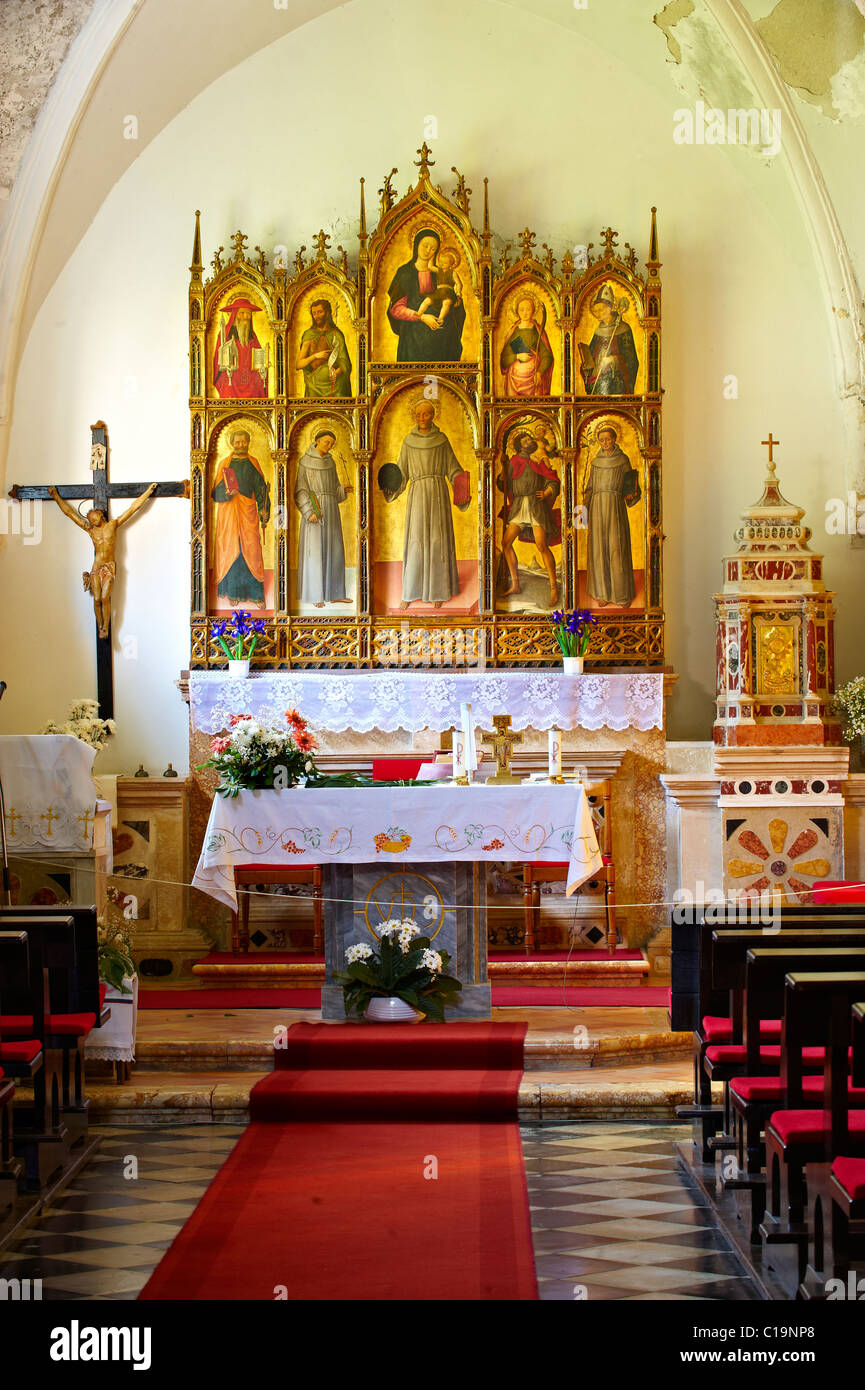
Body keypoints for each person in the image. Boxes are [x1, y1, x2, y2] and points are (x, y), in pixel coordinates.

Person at [380, 399, 470, 608]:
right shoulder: (408, 441)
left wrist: (462, 487)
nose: (422, 418)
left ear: (433, 416)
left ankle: (438, 591)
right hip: (418, 493)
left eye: (426, 414)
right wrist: (391, 487)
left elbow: (453, 468)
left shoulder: (442, 440)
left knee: (437, 539)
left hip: (438, 492)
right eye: (418, 414)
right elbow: (401, 472)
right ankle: (410, 592)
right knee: (416, 540)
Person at [48, 483, 157, 638]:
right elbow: (70, 514)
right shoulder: (91, 530)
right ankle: (100, 627)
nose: (92, 521)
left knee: (105, 597)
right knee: (97, 599)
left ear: (100, 514)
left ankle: (106, 626)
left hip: (109, 567)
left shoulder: (113, 525)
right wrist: (56, 496)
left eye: (94, 517)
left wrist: (148, 492)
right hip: (96, 567)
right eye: (90, 520)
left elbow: (133, 508)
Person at [497, 432, 560, 607]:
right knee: (506, 542)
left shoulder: (537, 463)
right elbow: (504, 484)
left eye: (530, 439)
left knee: (541, 544)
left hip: (535, 506)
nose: (529, 442)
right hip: (519, 506)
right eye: (525, 440)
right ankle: (516, 585)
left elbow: (553, 481)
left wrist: (547, 492)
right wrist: (503, 469)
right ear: (519, 445)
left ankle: (554, 587)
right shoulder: (512, 463)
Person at [386, 228, 465, 361]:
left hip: (441, 342)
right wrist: (422, 317)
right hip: (413, 340)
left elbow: (454, 308)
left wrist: (457, 303)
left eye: (433, 248)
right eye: (425, 245)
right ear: (417, 245)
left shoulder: (439, 273)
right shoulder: (405, 273)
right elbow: (396, 309)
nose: (428, 250)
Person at [211, 429, 270, 606]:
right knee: (231, 547)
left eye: (244, 441)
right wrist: (228, 493)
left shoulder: (253, 463)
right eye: (237, 442)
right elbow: (215, 493)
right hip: (229, 513)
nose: (241, 445)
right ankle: (233, 594)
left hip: (248, 512)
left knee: (251, 549)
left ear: (248, 442)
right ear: (232, 443)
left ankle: (256, 595)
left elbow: (261, 491)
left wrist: (263, 509)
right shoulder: (224, 464)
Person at [294, 429, 354, 606]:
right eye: (327, 442)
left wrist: (343, 490)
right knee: (315, 551)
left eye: (332, 444)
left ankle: (335, 593)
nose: (330, 446)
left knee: (335, 549)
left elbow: (334, 488)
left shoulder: (331, 462)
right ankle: (315, 596)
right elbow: (300, 490)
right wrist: (308, 511)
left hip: (331, 510)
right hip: (315, 509)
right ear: (318, 441)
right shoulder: (305, 461)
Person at [583, 425, 641, 607]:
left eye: (608, 438)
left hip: (615, 506)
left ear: (615, 439)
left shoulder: (623, 460)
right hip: (597, 507)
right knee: (600, 549)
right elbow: (589, 489)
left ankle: (621, 594)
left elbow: (631, 486)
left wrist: (632, 494)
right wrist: (582, 513)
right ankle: (602, 593)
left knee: (617, 548)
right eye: (602, 439)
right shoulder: (594, 462)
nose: (605, 442)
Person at [579, 285, 639, 395]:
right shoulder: (598, 331)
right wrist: (586, 367)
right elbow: (592, 359)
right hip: (597, 383)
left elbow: (632, 361)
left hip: (616, 384)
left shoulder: (622, 328)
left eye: (601, 310)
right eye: (595, 311)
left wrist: (613, 360)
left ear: (609, 308)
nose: (598, 314)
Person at [499, 294, 554, 396]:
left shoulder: (537, 331)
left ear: (533, 310)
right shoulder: (513, 332)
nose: (525, 313)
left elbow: (547, 356)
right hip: (514, 382)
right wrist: (517, 356)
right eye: (522, 310)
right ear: (517, 312)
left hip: (533, 382)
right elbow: (503, 360)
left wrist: (540, 372)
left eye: (528, 309)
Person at [213, 298, 268, 398]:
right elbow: (218, 359)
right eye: (242, 313)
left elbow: (258, 355)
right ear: (235, 314)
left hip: (250, 377)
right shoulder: (225, 333)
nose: (246, 317)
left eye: (248, 314)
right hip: (231, 376)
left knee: (258, 380)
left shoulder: (252, 335)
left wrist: (262, 364)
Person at [296, 299, 352, 397]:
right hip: (314, 384)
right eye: (314, 313)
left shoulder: (336, 334)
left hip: (335, 384)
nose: (316, 316)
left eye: (320, 312)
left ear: (327, 313)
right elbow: (299, 365)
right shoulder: (309, 335)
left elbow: (345, 362)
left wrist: (336, 373)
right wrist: (316, 356)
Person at [416, 247, 461, 324]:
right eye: (441, 262)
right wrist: (432, 256)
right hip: (438, 292)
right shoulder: (438, 270)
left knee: (446, 303)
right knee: (427, 300)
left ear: (451, 264)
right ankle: (418, 313)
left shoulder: (453, 273)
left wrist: (458, 293)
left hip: (448, 292)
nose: (442, 264)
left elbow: (459, 283)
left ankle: (440, 318)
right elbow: (430, 266)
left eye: (445, 263)